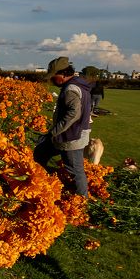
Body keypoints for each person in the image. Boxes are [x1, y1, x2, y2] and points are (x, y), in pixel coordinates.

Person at [32, 56, 92, 196]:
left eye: (54, 76)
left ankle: (82, 201)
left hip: (71, 136)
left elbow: (73, 113)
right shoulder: (78, 84)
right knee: (40, 153)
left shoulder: (71, 89)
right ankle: (49, 182)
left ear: (64, 74)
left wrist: (54, 131)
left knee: (75, 171)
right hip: (68, 134)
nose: (52, 79)